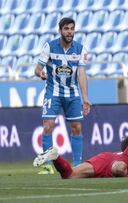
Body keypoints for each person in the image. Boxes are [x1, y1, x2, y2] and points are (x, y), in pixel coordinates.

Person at [34, 17, 90, 174]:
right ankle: (47, 165)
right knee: (47, 126)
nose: (69, 32)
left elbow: (82, 73)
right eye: (66, 29)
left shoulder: (80, 49)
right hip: (53, 92)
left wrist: (85, 98)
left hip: (72, 93)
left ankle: (77, 165)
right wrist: (41, 73)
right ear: (60, 31)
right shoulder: (50, 47)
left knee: (77, 127)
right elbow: (37, 68)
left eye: (72, 28)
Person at [33, 120, 128, 179]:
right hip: (116, 164)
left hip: (104, 158)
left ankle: (56, 157)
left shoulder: (119, 153)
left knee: (69, 175)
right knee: (121, 170)